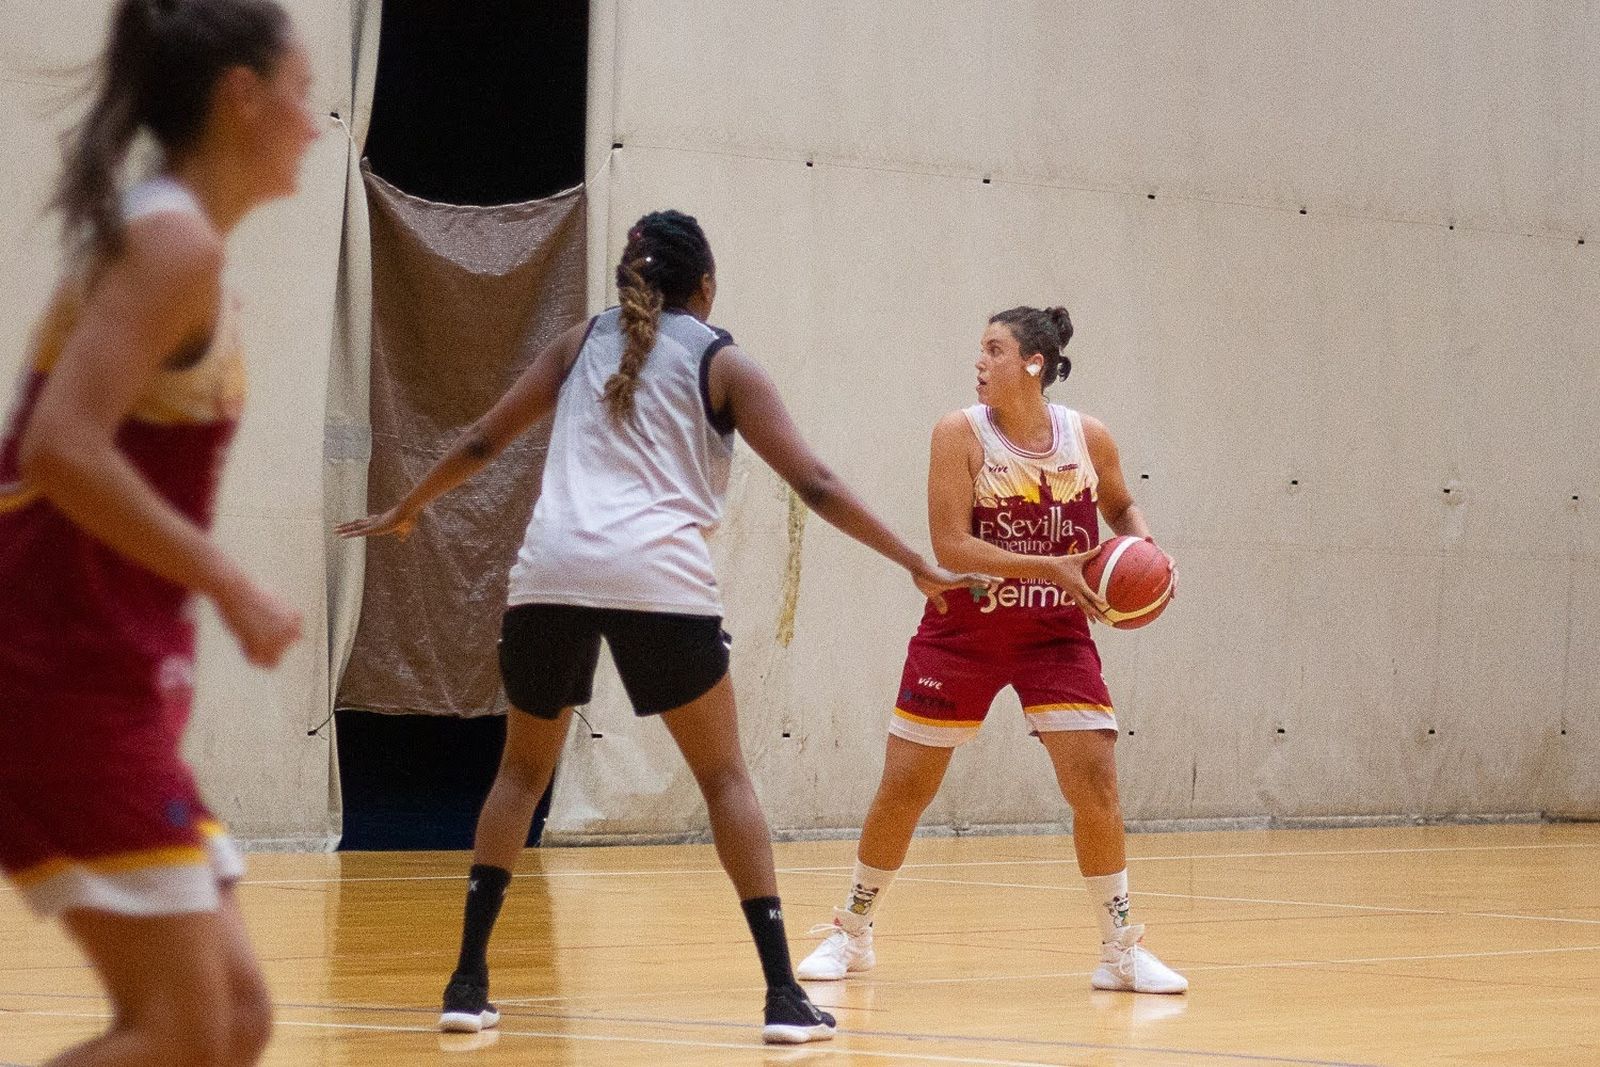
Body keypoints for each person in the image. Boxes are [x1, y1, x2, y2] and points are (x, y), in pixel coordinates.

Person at [339, 209, 989, 1044]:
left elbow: (480, 439)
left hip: (550, 574)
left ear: (627, 282)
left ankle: (466, 982)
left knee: (519, 777)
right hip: (659, 579)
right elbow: (817, 483)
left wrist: (407, 508)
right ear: (706, 286)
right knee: (724, 779)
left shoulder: (576, 345)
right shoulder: (723, 361)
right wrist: (913, 559)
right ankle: (783, 996)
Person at [0, 2, 319, 1064]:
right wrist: (231, 584)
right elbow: (60, 447)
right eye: (300, 94)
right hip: (53, 672)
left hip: (108, 671)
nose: (312, 123)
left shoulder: (184, 243)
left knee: (233, 1020)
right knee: (181, 1028)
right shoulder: (172, 238)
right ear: (242, 98)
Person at [795, 305, 1188, 995]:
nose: (979, 361)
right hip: (963, 630)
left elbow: (1121, 508)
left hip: (1054, 635)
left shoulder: (1087, 437)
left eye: (994, 349)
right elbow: (951, 545)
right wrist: (1058, 568)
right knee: (905, 788)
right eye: (980, 348)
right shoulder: (959, 433)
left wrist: (1147, 550)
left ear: (1033, 364)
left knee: (1096, 786)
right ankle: (852, 932)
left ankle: (1119, 950)